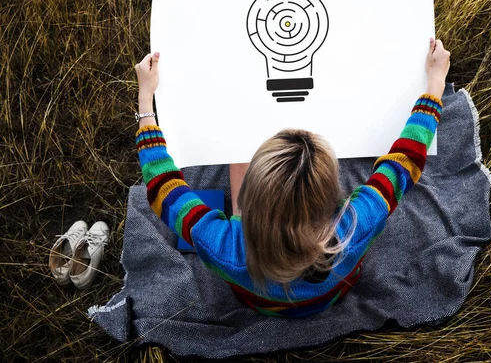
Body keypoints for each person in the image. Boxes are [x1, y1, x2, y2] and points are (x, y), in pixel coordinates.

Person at [134, 37, 451, 317]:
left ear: (247, 199)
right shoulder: (357, 222)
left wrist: (146, 99)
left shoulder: (223, 245)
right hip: (332, 295)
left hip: (257, 302)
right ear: (333, 197)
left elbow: (162, 184)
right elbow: (404, 161)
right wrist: (435, 83)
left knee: (237, 154)